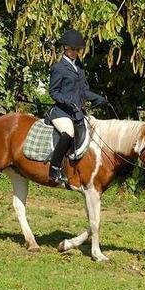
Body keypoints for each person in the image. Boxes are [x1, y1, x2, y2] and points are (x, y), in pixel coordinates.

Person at [47, 29, 107, 184]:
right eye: (73, 49)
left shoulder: (79, 67)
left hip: (76, 112)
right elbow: (53, 92)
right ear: (65, 48)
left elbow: (84, 91)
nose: (75, 52)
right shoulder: (58, 68)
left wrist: (98, 98)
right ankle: (54, 168)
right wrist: (67, 101)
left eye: (78, 49)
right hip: (61, 111)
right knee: (68, 133)